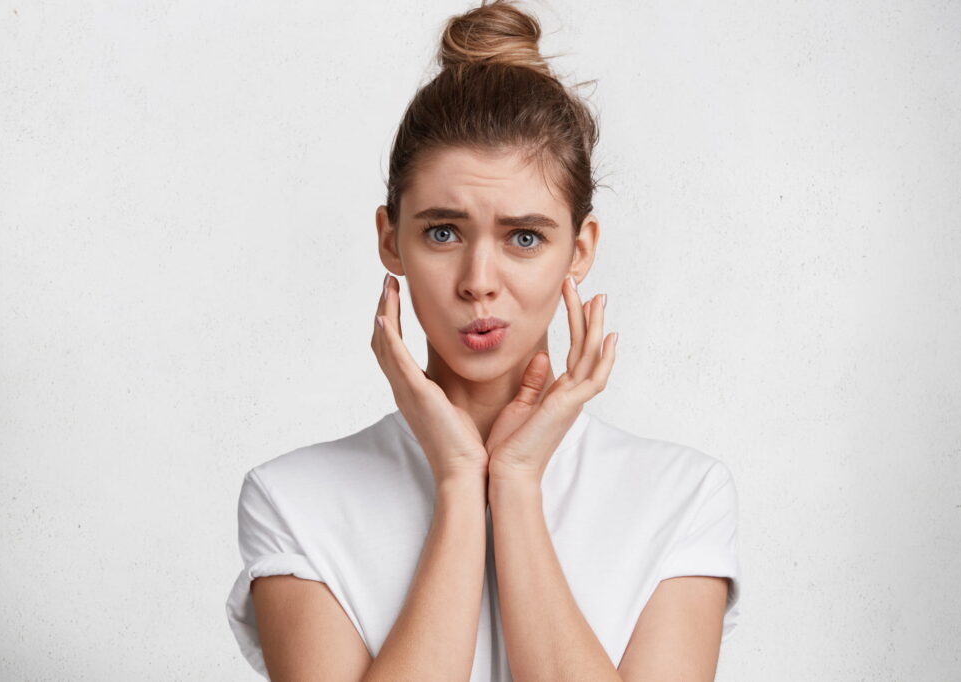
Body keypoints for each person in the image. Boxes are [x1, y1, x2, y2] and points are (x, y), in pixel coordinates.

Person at [225, 1, 741, 680]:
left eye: (524, 237)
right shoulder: (295, 500)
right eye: (443, 232)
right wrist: (459, 481)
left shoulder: (681, 497)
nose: (478, 282)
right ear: (391, 240)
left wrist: (517, 483)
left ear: (580, 249)